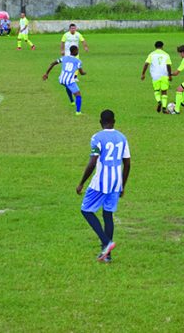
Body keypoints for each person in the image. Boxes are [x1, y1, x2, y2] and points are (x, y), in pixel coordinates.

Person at [76, 109, 130, 263]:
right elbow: (127, 163)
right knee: (108, 215)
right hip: (115, 182)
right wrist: (122, 185)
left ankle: (106, 243)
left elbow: (93, 161)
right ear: (114, 121)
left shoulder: (97, 138)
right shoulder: (122, 138)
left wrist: (81, 182)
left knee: (86, 210)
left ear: (101, 122)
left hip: (100, 182)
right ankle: (107, 255)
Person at [43, 45, 86, 115]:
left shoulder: (64, 58)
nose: (78, 51)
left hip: (61, 79)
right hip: (69, 80)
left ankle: (72, 101)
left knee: (67, 86)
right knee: (78, 95)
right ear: (75, 51)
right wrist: (84, 73)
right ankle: (78, 112)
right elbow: (81, 72)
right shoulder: (78, 61)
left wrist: (46, 73)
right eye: (77, 50)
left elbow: (53, 63)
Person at [140, 40, 173, 113]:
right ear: (162, 47)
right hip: (164, 75)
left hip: (155, 75)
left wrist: (143, 74)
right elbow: (168, 65)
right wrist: (170, 75)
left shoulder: (151, 54)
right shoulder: (166, 54)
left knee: (156, 90)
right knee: (164, 91)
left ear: (155, 47)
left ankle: (159, 101)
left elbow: (146, 64)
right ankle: (164, 108)